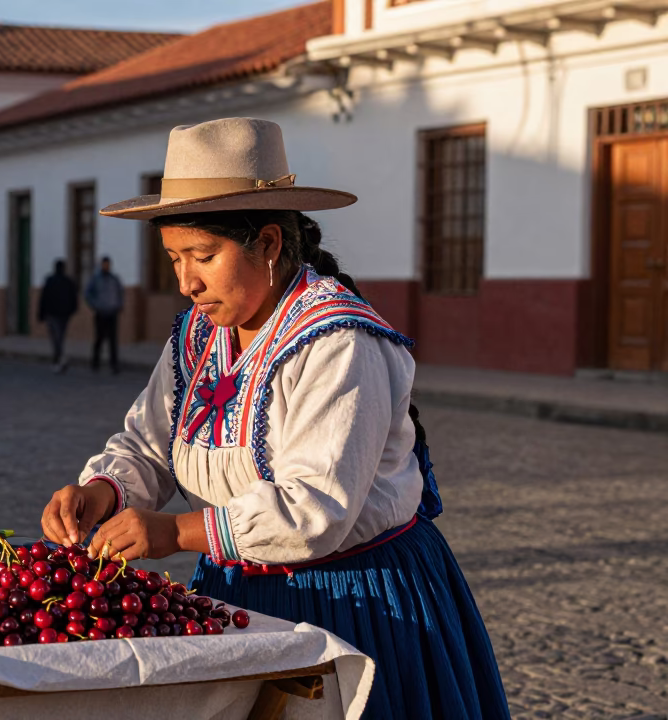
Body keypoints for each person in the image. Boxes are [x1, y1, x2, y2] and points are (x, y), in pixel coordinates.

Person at [40, 118, 509, 719]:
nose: (186, 282)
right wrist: (103, 491)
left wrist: (175, 533)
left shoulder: (338, 341)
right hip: (235, 596)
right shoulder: (197, 338)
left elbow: (316, 506)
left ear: (267, 243)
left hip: (351, 602)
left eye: (203, 256)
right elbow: (149, 443)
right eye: (173, 259)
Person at [38, 259, 78, 373]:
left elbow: (43, 298)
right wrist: (72, 310)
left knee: (56, 337)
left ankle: (59, 358)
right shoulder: (68, 281)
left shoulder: (50, 281)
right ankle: (60, 358)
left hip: (52, 314)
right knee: (60, 336)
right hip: (64, 314)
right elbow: (73, 298)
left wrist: (41, 314)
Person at [84, 256, 123, 374]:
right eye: (104, 264)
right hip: (100, 313)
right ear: (101, 265)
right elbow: (87, 293)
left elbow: (120, 292)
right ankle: (95, 363)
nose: (106, 266)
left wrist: (118, 305)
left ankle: (114, 365)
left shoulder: (114, 279)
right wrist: (95, 305)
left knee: (113, 340)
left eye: (108, 264)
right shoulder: (96, 279)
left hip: (112, 312)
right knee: (99, 339)